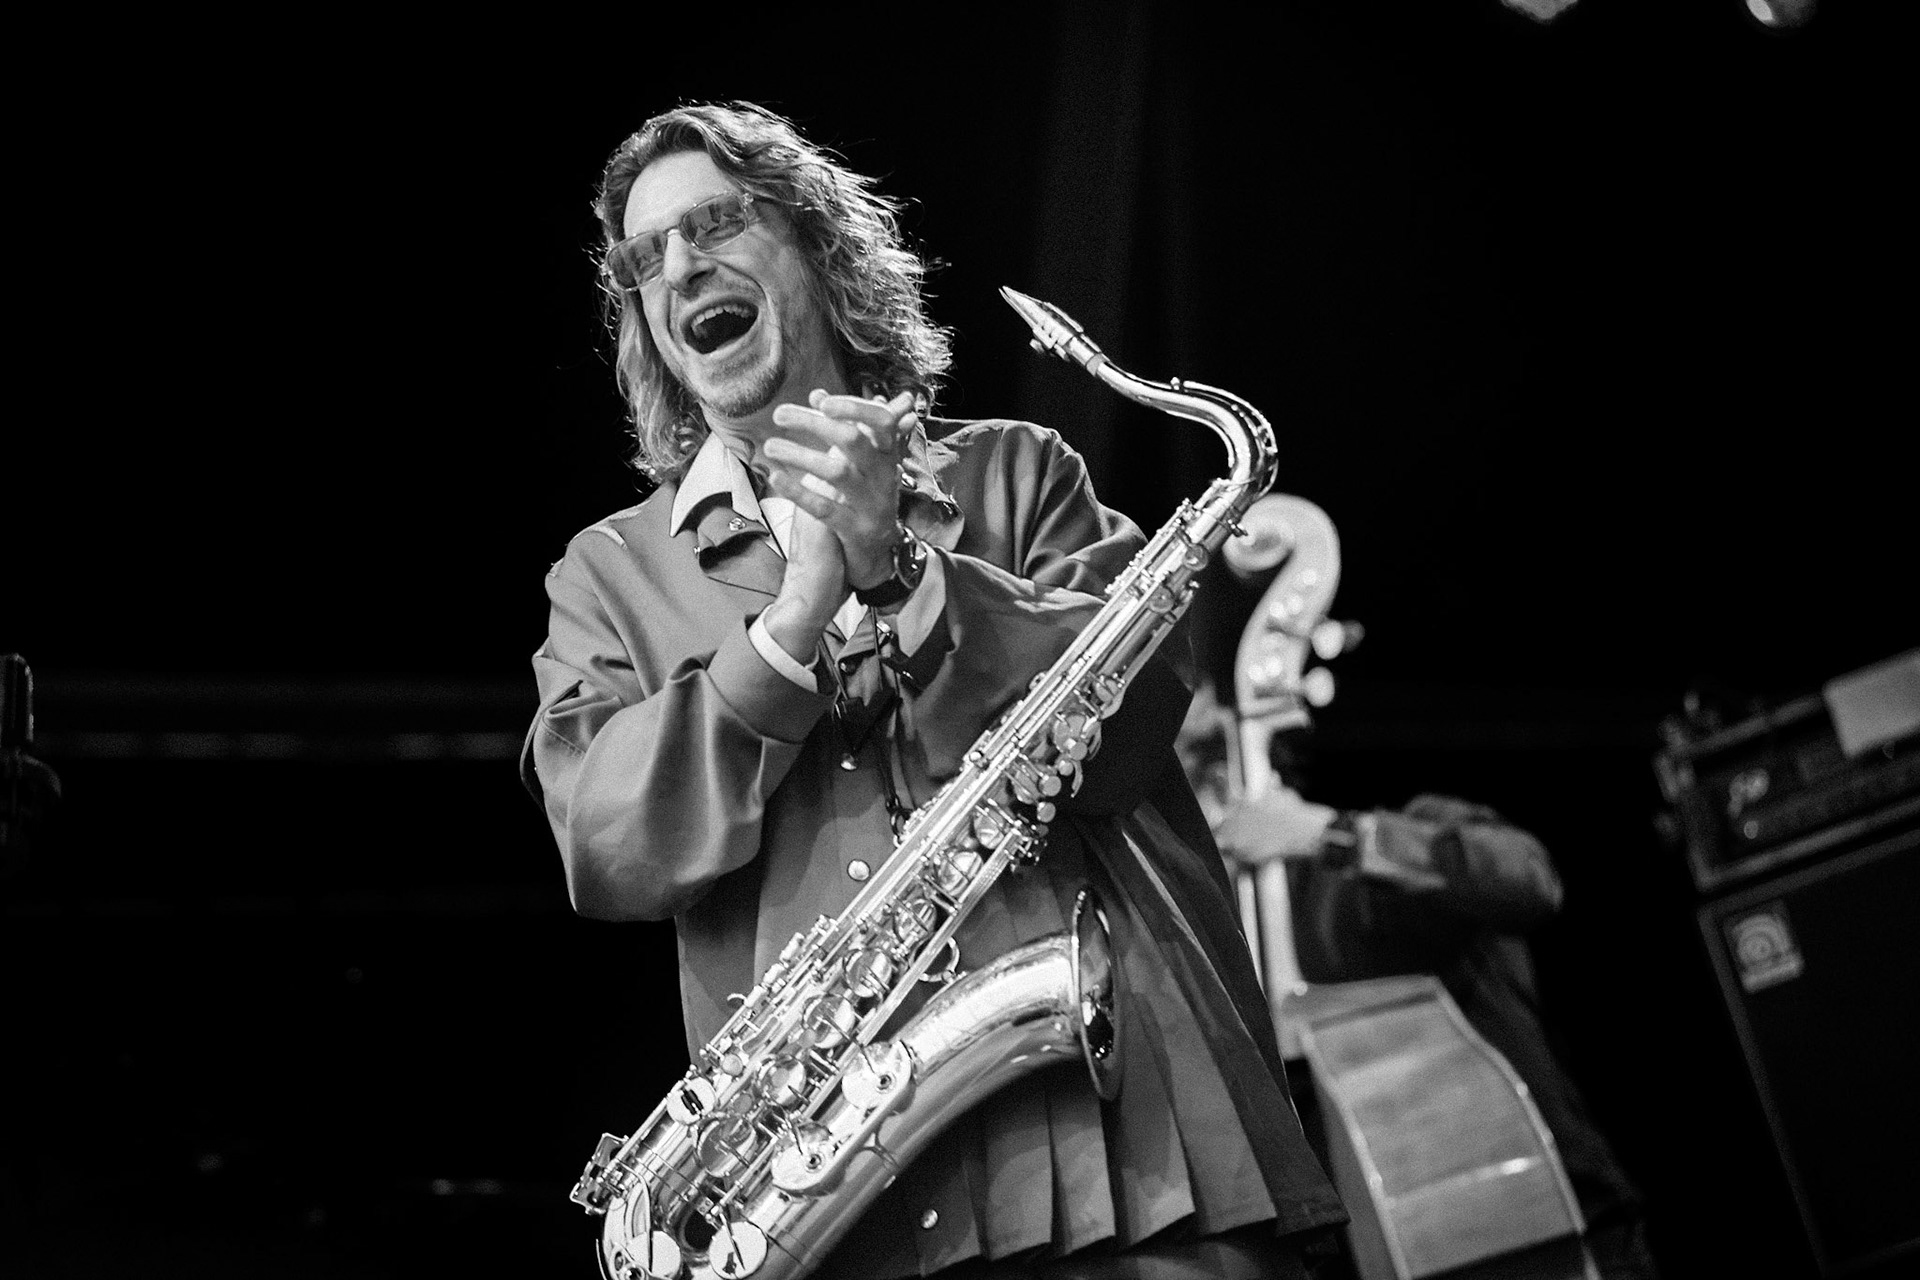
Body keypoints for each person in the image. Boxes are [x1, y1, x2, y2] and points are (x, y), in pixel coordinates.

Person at [519, 101, 1345, 1279]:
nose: (681, 267)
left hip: (1135, 1152)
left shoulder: (1019, 472)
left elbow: (1133, 726)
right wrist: (793, 624)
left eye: (717, 222)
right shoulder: (610, 574)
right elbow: (609, 849)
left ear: (819, 251)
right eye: (645, 259)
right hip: (837, 1204)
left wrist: (906, 570)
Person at [1178, 686, 1659, 1280]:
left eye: (1200, 813)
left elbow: (1528, 881)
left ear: (1238, 783)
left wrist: (1334, 835)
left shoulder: (1367, 875)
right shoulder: (1212, 954)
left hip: (1554, 1216)